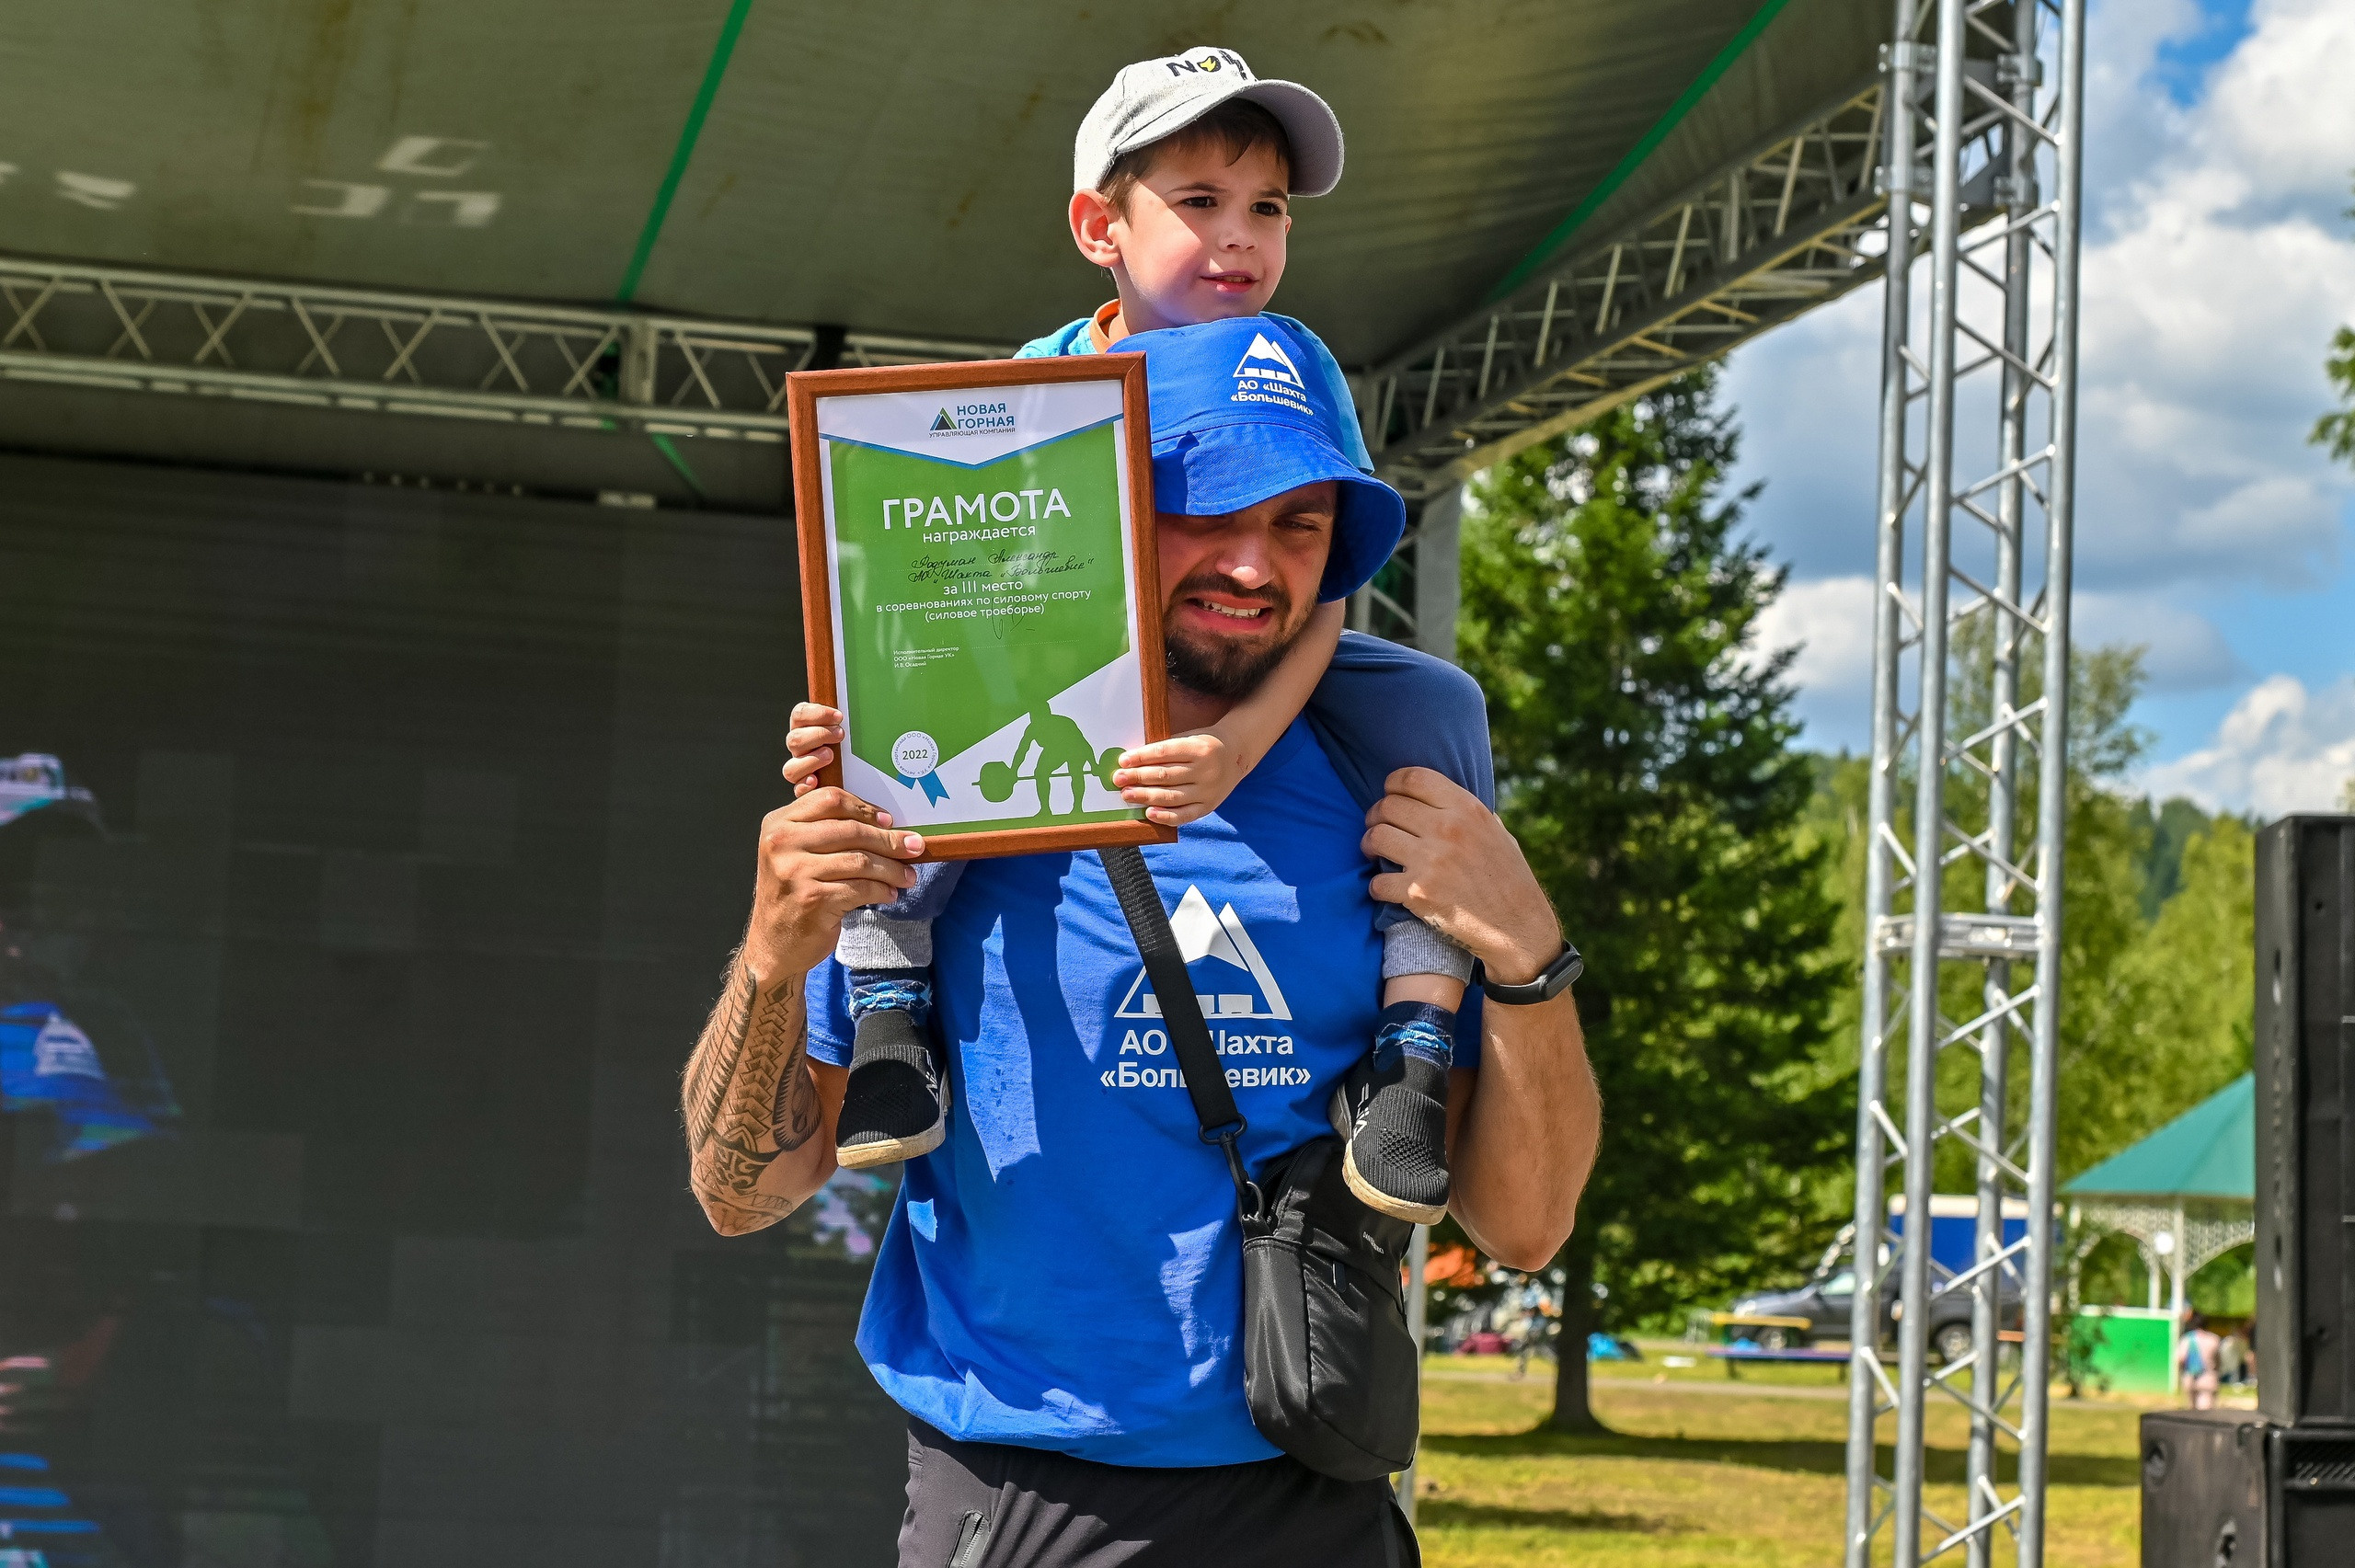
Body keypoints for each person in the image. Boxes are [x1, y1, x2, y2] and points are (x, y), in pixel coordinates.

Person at [680, 317, 1601, 1566]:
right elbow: (744, 1190)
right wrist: (775, 952)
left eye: (1298, 525)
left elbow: (1525, 1228)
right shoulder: (964, 773)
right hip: (1023, 1505)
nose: (1252, 565)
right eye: (1205, 513)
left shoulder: (1390, 767)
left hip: (1317, 1486)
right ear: (1105, 515)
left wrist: (1530, 955)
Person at [804, 50, 1483, 1228]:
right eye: (1200, 202)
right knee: (879, 750)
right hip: (1048, 648)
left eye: (1267, 208)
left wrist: (1241, 746)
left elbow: (1321, 588)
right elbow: (933, 583)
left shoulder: (1300, 360)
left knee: (1437, 707)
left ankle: (1414, 1046)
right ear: (1096, 226)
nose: (1241, 238)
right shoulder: (1035, 381)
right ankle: (886, 1012)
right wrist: (867, 688)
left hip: (1257, 652)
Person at [2179, 1309, 2222, 1411]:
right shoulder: (2214, 1340)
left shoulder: (2187, 1339)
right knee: (2204, 1413)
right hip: (2208, 1378)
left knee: (2191, 1411)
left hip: (2190, 1378)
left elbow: (2180, 1358)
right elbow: (2218, 1360)